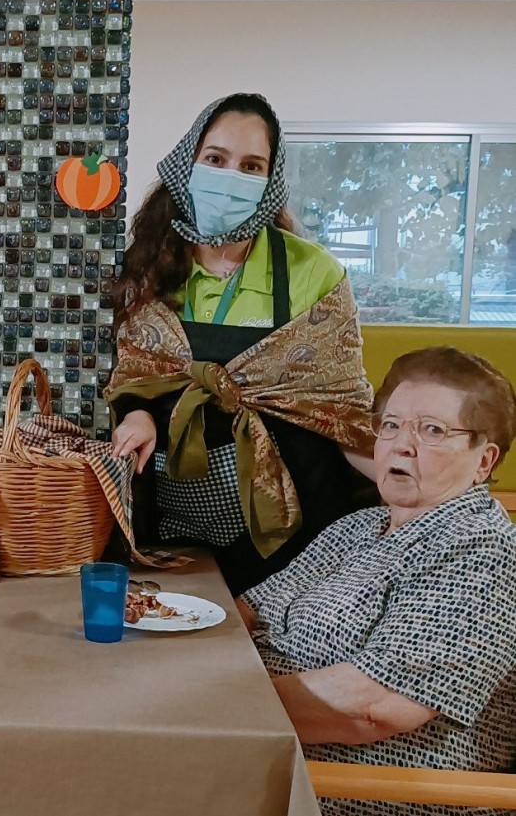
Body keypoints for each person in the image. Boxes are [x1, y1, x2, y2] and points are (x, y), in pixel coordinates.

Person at [106, 92, 375, 595]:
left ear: (271, 181)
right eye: (215, 159)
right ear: (188, 162)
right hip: (171, 515)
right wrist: (138, 413)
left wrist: (419, 476)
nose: (231, 177)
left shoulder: (313, 271)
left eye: (251, 166)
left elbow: (339, 406)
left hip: (290, 525)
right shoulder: (147, 267)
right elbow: (136, 374)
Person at [239, 347, 516, 816]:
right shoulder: (360, 525)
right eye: (390, 425)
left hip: (364, 794)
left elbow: (372, 707)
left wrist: (216, 706)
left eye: (432, 430)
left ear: (483, 461)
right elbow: (247, 610)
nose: (401, 445)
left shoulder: (482, 549)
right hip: (267, 756)